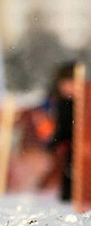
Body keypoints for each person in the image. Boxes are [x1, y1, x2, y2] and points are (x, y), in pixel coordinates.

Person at [44, 61, 76, 201]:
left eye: (68, 83)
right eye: (62, 83)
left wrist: (56, 140)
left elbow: (67, 128)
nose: (65, 87)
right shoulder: (62, 102)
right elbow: (63, 127)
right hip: (71, 149)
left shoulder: (80, 103)